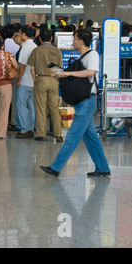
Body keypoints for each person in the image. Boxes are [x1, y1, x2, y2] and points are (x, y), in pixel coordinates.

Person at [40, 29, 111, 177]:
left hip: (87, 101)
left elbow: (91, 72)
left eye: (74, 38)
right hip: (82, 101)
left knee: (72, 136)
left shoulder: (92, 54)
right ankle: (103, 168)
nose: (72, 41)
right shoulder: (82, 56)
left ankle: (56, 167)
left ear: (81, 41)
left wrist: (69, 73)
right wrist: (60, 74)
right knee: (91, 137)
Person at [27, 28, 63, 142]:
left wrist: (35, 80)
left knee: (41, 108)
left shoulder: (36, 51)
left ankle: (41, 134)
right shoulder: (57, 50)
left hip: (40, 80)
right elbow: (59, 69)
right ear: (51, 38)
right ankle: (58, 134)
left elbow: (32, 68)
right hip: (53, 80)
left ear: (40, 38)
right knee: (54, 108)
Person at [0, 37, 18, 139]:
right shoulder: (8, 54)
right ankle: (1, 134)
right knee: (4, 109)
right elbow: (16, 66)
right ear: (2, 45)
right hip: (5, 83)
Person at [15, 25, 37, 139]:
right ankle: (31, 127)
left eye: (20, 33)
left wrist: (19, 80)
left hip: (25, 80)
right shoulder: (34, 46)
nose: (19, 35)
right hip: (33, 81)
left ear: (24, 34)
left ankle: (25, 128)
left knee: (21, 105)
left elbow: (22, 65)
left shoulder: (25, 47)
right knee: (31, 106)